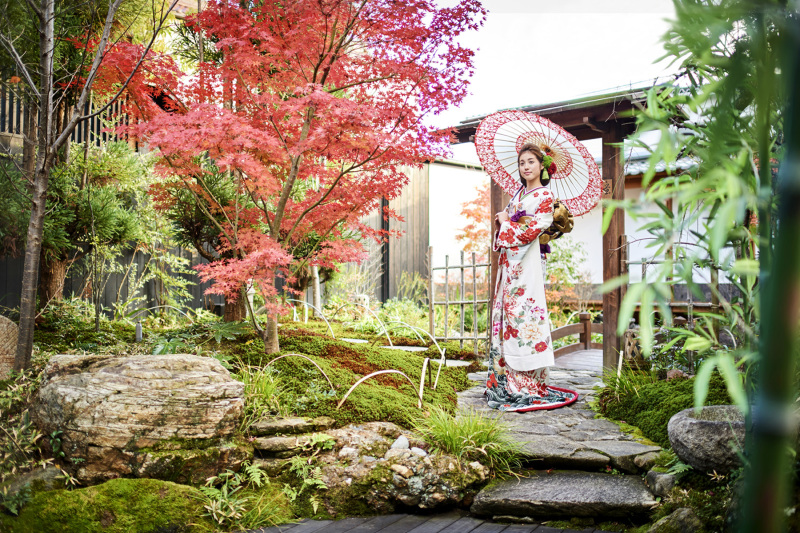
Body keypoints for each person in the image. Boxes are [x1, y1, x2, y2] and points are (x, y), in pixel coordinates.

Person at [485, 143, 577, 412]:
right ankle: (504, 380)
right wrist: (504, 220)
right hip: (511, 265)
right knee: (507, 314)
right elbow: (515, 226)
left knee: (523, 314)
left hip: (527, 264)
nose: (526, 167)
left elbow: (534, 228)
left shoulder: (544, 196)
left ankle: (527, 383)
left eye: (531, 162)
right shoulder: (519, 195)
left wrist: (506, 223)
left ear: (542, 166)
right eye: (522, 162)